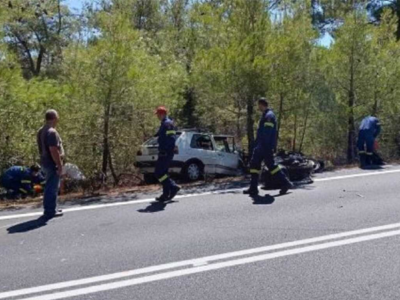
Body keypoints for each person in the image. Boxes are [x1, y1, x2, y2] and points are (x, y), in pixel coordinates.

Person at [244, 98, 293, 196]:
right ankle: (253, 188)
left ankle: (286, 183)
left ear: (262, 105)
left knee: (271, 166)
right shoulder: (266, 115)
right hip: (261, 146)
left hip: (265, 146)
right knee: (254, 165)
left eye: (259, 105)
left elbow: (267, 133)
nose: (258, 108)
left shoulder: (269, 116)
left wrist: (262, 146)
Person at [37, 109, 64, 219]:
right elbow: (53, 150)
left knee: (51, 186)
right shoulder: (52, 132)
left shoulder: (41, 130)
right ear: (55, 118)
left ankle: (52, 208)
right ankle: (49, 211)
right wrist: (59, 164)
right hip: (51, 163)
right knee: (51, 187)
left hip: (44, 162)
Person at [154, 106, 181, 202]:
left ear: (162, 114)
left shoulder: (168, 123)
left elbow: (171, 139)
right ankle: (166, 194)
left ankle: (173, 187)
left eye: (158, 114)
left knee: (158, 172)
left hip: (166, 153)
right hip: (164, 152)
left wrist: (166, 150)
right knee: (162, 173)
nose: (157, 116)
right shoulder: (164, 123)